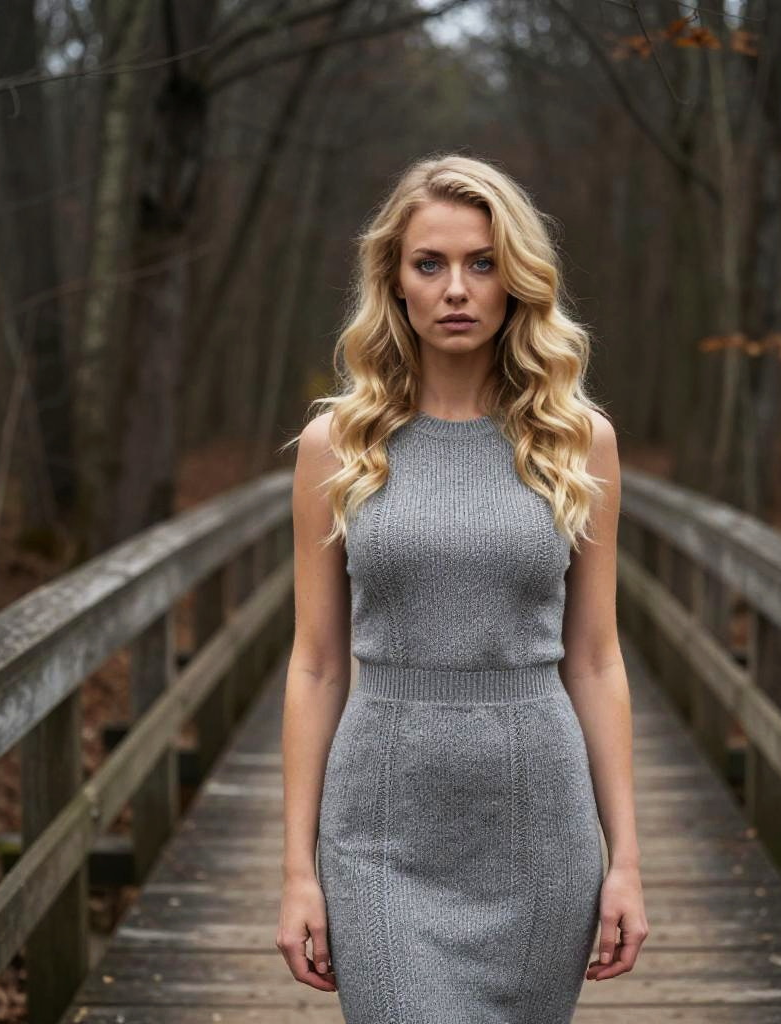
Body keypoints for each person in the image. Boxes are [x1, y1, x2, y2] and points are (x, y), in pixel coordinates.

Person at [275, 152, 647, 1023]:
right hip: (378, 834)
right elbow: (317, 666)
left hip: (540, 832)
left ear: (515, 281)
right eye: (429, 264)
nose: (456, 288)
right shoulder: (337, 445)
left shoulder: (578, 442)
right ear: (394, 282)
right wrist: (297, 869)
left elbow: (594, 660)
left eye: (482, 264)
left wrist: (624, 855)